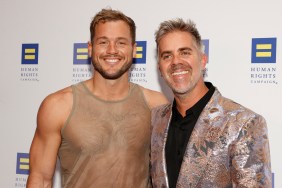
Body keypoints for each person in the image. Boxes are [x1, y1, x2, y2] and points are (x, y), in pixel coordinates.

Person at [27, 8, 168, 188]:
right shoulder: (57, 106)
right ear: (90, 48)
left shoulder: (157, 105)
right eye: (103, 42)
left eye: (121, 43)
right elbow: (40, 179)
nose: (112, 50)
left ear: (134, 50)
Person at [150, 18, 272, 187]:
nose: (176, 62)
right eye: (167, 55)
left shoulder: (244, 124)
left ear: (203, 60)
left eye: (185, 52)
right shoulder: (156, 119)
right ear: (160, 68)